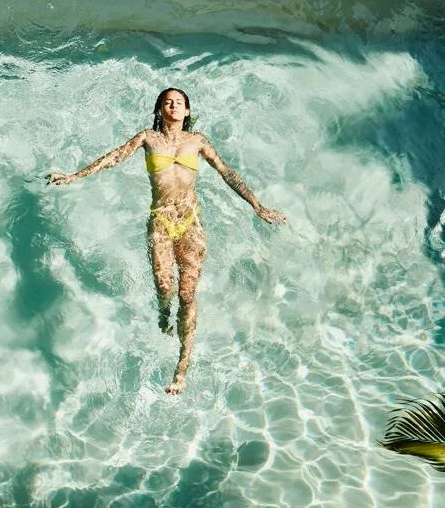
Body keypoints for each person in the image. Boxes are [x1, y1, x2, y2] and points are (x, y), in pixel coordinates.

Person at [46, 88, 286, 394]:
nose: (173, 105)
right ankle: (163, 311)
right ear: (160, 109)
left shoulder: (197, 141)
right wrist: (74, 177)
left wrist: (257, 205)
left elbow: (227, 173)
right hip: (160, 221)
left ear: (186, 112)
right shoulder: (148, 138)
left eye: (179, 103)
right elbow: (115, 157)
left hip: (190, 222)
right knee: (164, 287)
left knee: (187, 294)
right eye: (167, 102)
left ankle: (181, 367)